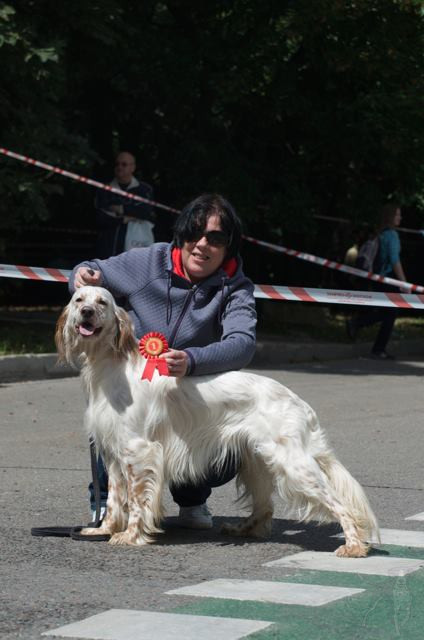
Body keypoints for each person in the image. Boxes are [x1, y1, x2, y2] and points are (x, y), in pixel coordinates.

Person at [70, 193, 257, 529]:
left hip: (183, 394)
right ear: (181, 235)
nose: (202, 245)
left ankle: (192, 500)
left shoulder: (236, 288)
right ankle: (107, 507)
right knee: (110, 419)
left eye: (215, 238)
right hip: (131, 385)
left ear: (228, 246)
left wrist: (192, 360)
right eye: (193, 234)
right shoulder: (149, 262)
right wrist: (83, 274)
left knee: (208, 443)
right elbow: (92, 272)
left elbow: (242, 344)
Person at [346, 203, 407, 359]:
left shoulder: (381, 234)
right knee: (390, 313)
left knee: (387, 313)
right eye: (397, 215)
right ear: (390, 217)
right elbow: (394, 261)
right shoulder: (392, 235)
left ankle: (358, 324)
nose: (400, 217)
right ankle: (377, 348)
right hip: (389, 280)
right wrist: (404, 283)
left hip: (378, 280)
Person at [94, 151, 155, 258]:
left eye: (124, 164)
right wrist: (124, 218)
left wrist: (121, 209)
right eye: (117, 164)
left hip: (137, 243)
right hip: (109, 245)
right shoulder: (105, 189)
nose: (119, 167)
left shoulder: (145, 190)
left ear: (133, 167)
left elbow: (145, 212)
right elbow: (100, 217)